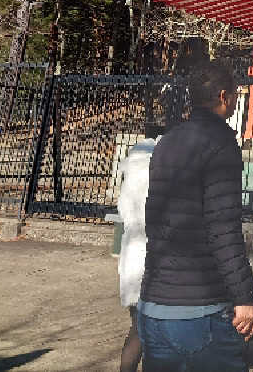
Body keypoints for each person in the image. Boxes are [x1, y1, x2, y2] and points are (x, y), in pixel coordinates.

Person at [138, 60, 253, 372]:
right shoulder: (220, 143)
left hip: (154, 301)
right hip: (200, 307)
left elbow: (156, 218)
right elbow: (223, 228)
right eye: (234, 94)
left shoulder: (167, 142)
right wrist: (244, 296)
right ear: (223, 96)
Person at [117, 125, 162, 372]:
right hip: (153, 260)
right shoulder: (158, 174)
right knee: (151, 333)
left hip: (131, 258)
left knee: (139, 327)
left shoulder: (132, 175)